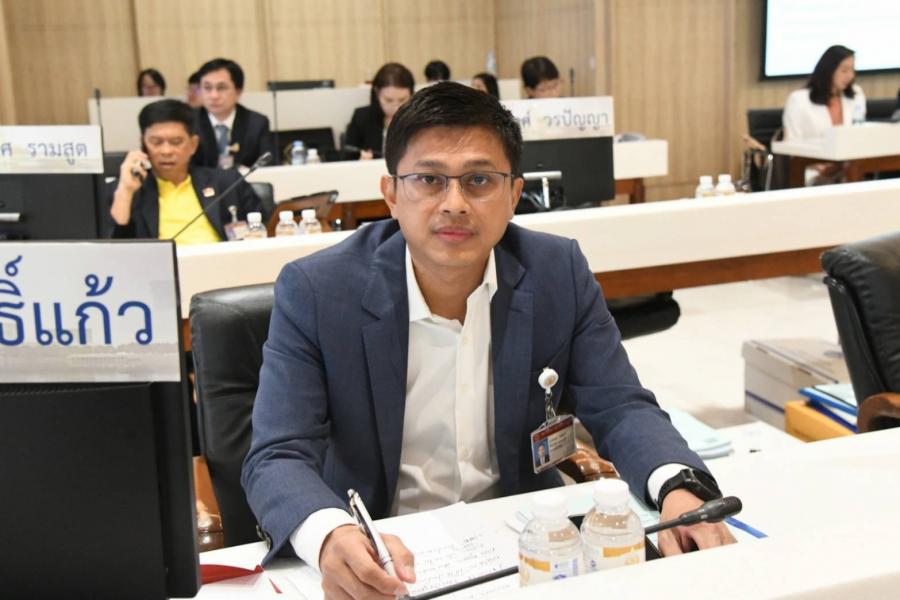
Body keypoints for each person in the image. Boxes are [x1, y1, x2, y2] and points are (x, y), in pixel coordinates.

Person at [242, 82, 735, 598]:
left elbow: (620, 406)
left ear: (514, 195)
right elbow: (277, 454)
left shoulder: (556, 271)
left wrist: (680, 487)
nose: (454, 204)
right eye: (429, 179)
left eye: (479, 180)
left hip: (523, 548)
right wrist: (329, 534)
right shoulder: (319, 290)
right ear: (391, 194)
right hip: (386, 552)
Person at [109, 99, 260, 245]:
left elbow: (263, 233)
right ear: (143, 143)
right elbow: (115, 247)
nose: (166, 151)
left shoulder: (228, 183)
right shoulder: (131, 192)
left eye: (176, 142)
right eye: (156, 142)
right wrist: (125, 191)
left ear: (193, 144)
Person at [782, 45, 866, 185]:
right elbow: (791, 145)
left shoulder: (856, 95)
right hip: (811, 172)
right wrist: (819, 165)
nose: (850, 76)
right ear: (828, 70)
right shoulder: (799, 100)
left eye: (852, 70)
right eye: (844, 70)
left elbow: (859, 135)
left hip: (849, 172)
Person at [192, 57, 275, 170]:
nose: (214, 96)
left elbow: (270, 165)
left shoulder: (256, 123)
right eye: (207, 88)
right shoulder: (189, 121)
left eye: (221, 88)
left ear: (238, 92)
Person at [344, 63, 415, 160]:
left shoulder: (419, 120)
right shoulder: (362, 117)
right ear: (377, 93)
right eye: (389, 100)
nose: (396, 107)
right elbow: (348, 158)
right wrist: (360, 162)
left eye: (402, 100)